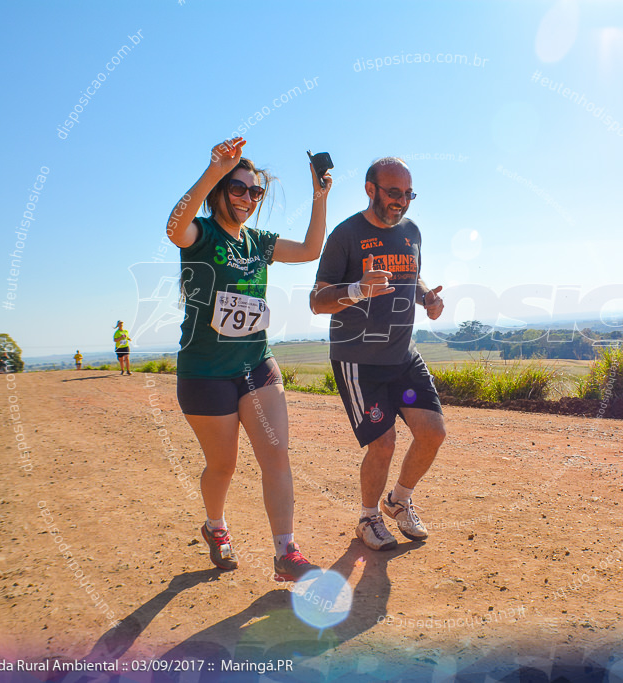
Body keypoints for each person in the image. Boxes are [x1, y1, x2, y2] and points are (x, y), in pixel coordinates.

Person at [166, 136, 332, 580]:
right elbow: (173, 228)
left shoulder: (259, 242)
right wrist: (215, 169)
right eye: (237, 188)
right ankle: (216, 526)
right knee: (223, 465)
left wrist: (320, 196)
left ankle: (286, 554)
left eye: (254, 191)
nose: (246, 198)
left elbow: (312, 250)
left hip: (255, 363)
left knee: (276, 454)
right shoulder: (201, 235)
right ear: (221, 191)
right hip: (205, 372)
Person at [310, 157, 447, 551]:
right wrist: (357, 290)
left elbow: (412, 274)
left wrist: (427, 299)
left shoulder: (412, 232)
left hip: (403, 355)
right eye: (393, 193)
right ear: (370, 189)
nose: (401, 202)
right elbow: (317, 301)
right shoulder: (345, 235)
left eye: (407, 194)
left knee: (433, 432)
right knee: (382, 442)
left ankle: (398, 501)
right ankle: (368, 517)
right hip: (359, 361)